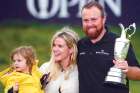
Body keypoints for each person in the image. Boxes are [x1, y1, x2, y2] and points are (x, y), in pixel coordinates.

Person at [77, 1, 140, 93]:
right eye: (86, 20)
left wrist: (127, 70)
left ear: (103, 19)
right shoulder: (80, 45)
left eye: (94, 19)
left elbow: (138, 74)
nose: (90, 24)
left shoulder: (119, 42)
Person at [40, 27, 79, 93]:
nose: (55, 49)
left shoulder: (80, 72)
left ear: (71, 49)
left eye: (60, 46)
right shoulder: (45, 68)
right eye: (54, 45)